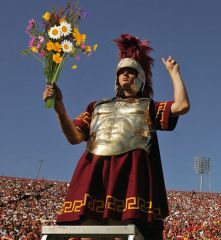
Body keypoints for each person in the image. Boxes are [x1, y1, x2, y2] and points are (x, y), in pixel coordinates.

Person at [43, 34, 190, 239]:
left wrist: (174, 74)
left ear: (140, 78)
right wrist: (60, 109)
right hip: (95, 170)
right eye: (122, 72)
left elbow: (182, 106)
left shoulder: (147, 105)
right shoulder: (97, 106)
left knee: (119, 232)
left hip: (129, 174)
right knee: (87, 233)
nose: (126, 75)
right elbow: (75, 137)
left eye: (131, 72)